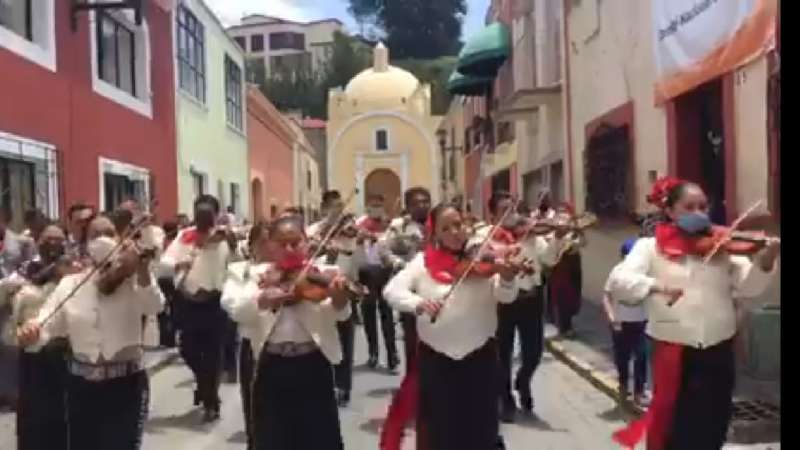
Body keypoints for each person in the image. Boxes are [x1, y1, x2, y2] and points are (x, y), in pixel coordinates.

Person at [609, 179, 779, 450]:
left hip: (718, 353)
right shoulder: (650, 248)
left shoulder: (722, 246)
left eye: (702, 206)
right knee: (678, 433)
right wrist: (656, 286)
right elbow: (619, 282)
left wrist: (766, 261)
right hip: (676, 356)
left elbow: (750, 287)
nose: (698, 212)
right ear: (671, 211)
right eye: (689, 207)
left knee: (713, 430)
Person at [17, 214, 164, 450]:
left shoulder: (133, 280)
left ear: (120, 239)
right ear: (84, 244)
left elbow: (155, 306)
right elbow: (47, 322)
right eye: (96, 235)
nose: (103, 240)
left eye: (109, 234)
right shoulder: (71, 284)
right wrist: (33, 332)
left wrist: (143, 270)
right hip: (82, 387)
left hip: (125, 386)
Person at [384, 203, 520, 450]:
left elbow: (506, 296)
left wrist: (509, 277)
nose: (454, 232)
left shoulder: (486, 257)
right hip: (436, 361)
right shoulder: (422, 262)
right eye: (446, 228)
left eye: (458, 225)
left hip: (480, 359)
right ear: (435, 233)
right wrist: (419, 303)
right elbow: (392, 291)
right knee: (439, 432)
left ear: (467, 224)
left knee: (480, 431)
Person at [225, 215, 350, 450]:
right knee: (272, 438)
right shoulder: (251, 275)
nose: (290, 249)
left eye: (296, 242)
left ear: (307, 242)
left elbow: (342, 314)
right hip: (271, 365)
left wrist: (339, 297)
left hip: (313, 363)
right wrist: (260, 300)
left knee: (320, 438)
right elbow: (234, 309)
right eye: (281, 244)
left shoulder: (323, 273)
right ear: (269, 245)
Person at [483, 191, 560, 422]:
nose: (512, 215)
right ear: (493, 214)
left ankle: (523, 380)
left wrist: (558, 237)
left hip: (532, 299)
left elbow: (549, 259)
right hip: (502, 301)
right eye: (504, 210)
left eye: (514, 209)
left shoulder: (531, 236)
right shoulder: (488, 239)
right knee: (502, 353)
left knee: (534, 351)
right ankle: (505, 399)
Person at [2, 223, 73, 450]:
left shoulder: (73, 270)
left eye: (57, 239)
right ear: (38, 242)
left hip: (63, 352)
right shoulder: (26, 269)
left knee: (61, 416)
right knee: (31, 417)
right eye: (46, 239)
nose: (51, 244)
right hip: (29, 352)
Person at [161, 195, 232, 421]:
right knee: (187, 349)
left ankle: (211, 401)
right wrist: (180, 263)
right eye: (199, 214)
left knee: (213, 353)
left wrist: (231, 241)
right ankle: (204, 385)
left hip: (214, 302)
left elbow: (239, 261)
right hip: (189, 302)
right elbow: (165, 262)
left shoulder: (224, 237)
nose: (203, 220)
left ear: (214, 215)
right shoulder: (185, 236)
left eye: (208, 215)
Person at [378, 186, 431, 450]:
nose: (422, 205)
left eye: (426, 201)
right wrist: (401, 265)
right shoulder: (399, 228)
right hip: (411, 297)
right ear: (409, 206)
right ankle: (416, 400)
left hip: (440, 295)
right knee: (415, 350)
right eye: (417, 202)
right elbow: (384, 251)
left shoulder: (439, 223)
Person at [222, 221, 272, 450]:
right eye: (263, 243)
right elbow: (235, 309)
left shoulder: (292, 272)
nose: (269, 248)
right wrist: (259, 287)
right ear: (251, 246)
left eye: (274, 242)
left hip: (289, 353)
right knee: (255, 419)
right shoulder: (239, 272)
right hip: (254, 350)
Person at [307, 190, 360, 407]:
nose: (338, 210)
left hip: (344, 288)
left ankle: (343, 385)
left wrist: (336, 246)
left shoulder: (348, 232)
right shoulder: (312, 231)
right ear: (324, 209)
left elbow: (349, 251)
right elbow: (308, 256)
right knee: (322, 338)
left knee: (346, 337)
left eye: (341, 206)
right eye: (334, 207)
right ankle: (325, 381)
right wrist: (320, 244)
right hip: (319, 289)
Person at [602, 237, 649, 407]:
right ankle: (623, 384)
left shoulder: (645, 273)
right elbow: (607, 295)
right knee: (622, 358)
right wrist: (611, 317)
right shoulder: (617, 272)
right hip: (620, 323)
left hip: (641, 322)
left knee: (642, 356)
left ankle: (639, 391)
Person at [355, 193, 398, 372]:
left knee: (387, 315)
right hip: (366, 273)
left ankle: (392, 354)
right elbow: (353, 245)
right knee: (369, 315)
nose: (376, 208)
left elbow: (395, 247)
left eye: (379, 205)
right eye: (373, 205)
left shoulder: (391, 225)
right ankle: (373, 353)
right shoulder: (360, 224)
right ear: (368, 207)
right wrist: (361, 237)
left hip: (385, 273)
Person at [545, 203, 586, 337]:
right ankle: (564, 326)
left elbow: (582, 243)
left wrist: (579, 232)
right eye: (560, 212)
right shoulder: (552, 231)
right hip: (560, 265)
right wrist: (558, 236)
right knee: (562, 295)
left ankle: (565, 322)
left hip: (573, 264)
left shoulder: (573, 230)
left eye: (565, 213)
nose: (563, 216)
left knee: (574, 294)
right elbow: (550, 252)